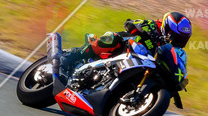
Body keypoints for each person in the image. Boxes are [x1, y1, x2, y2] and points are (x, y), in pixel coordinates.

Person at [59, 12, 192, 86]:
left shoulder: (172, 50)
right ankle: (72, 56)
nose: (178, 42)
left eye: (182, 39)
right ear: (168, 29)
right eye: (176, 37)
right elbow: (129, 23)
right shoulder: (153, 25)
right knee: (114, 38)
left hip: (139, 67)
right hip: (124, 52)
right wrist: (140, 27)